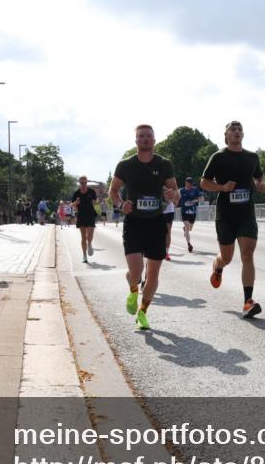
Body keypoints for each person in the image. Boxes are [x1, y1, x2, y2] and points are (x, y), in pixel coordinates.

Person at [109, 125, 180, 330]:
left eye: (149, 136)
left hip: (156, 223)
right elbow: (113, 191)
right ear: (136, 141)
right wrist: (122, 205)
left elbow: (176, 192)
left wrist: (172, 195)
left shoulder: (164, 164)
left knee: (153, 273)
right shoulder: (126, 165)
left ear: (154, 140)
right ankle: (133, 289)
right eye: (141, 136)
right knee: (136, 271)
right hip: (134, 223)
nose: (145, 139)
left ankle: (143, 312)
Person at [200, 121, 265, 318]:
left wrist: (261, 183)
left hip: (246, 213)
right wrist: (222, 188)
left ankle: (248, 302)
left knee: (247, 254)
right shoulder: (219, 157)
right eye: (233, 130)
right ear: (226, 135)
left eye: (239, 130)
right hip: (226, 215)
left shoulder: (252, 157)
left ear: (242, 135)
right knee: (227, 257)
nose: (237, 132)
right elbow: (204, 182)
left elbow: (259, 175)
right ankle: (218, 266)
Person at [72, 176, 98, 263]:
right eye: (82, 183)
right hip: (81, 215)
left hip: (90, 215)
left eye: (85, 183)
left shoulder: (91, 191)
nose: (83, 184)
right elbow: (72, 204)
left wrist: (94, 202)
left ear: (87, 183)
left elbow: (96, 200)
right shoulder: (76, 193)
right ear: (79, 183)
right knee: (83, 237)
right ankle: (84, 256)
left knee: (89, 236)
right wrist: (76, 203)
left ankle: (89, 244)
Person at [178, 177, 203, 253]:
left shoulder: (195, 190)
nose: (190, 185)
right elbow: (176, 197)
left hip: (193, 212)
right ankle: (189, 244)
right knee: (187, 227)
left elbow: (202, 198)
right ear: (185, 183)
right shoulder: (181, 191)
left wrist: (195, 200)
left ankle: (186, 229)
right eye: (188, 183)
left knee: (190, 229)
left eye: (191, 183)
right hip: (184, 212)